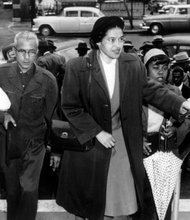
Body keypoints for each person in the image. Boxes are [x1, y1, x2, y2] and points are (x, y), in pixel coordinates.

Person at [55, 16, 190, 220]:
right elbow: (70, 107)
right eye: (111, 40)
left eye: (120, 39)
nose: (118, 45)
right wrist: (97, 132)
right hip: (92, 143)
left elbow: (151, 90)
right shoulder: (78, 67)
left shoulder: (131, 63)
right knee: (92, 203)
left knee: (120, 201)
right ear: (98, 42)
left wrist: (180, 104)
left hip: (122, 142)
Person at [0, 31, 58, 220]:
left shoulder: (48, 80)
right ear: (14, 52)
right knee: (12, 190)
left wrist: (55, 149)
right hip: (7, 142)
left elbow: (53, 117)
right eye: (22, 51)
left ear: (37, 53)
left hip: (34, 145)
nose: (27, 57)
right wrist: (3, 115)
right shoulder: (1, 74)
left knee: (29, 188)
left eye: (31, 52)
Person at [142, 48, 183, 220]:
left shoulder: (174, 92)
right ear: (145, 70)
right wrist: (138, 139)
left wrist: (175, 128)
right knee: (143, 198)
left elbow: (184, 119)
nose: (160, 71)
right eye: (155, 67)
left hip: (165, 147)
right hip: (143, 147)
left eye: (164, 68)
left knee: (163, 200)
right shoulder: (136, 91)